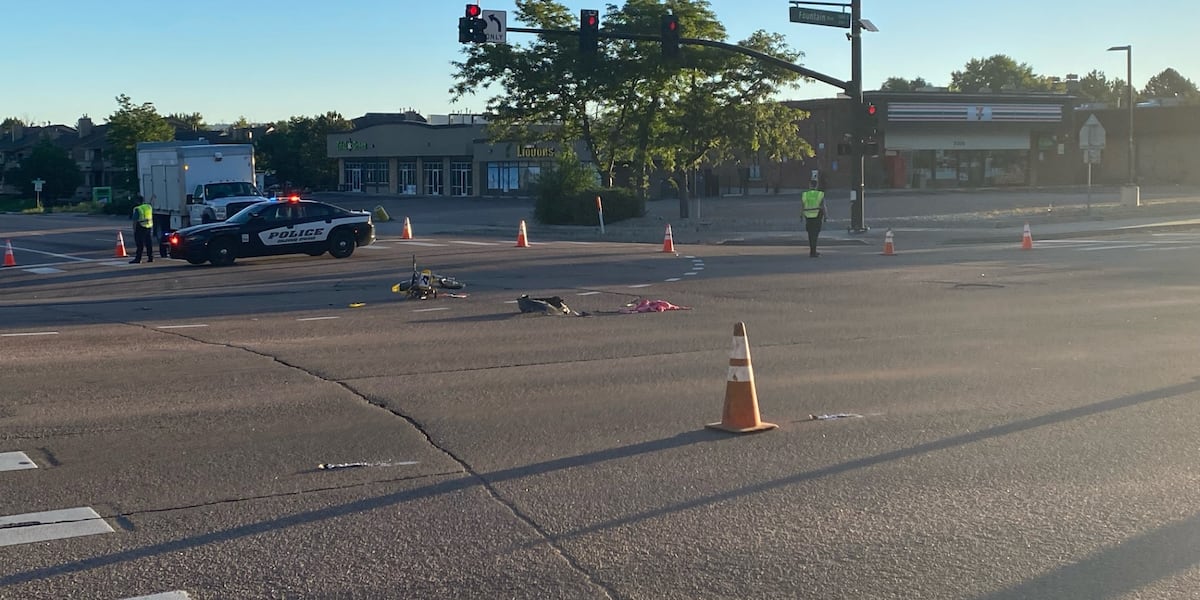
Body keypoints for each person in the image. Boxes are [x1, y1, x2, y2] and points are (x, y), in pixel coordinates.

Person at [801, 179, 826, 258]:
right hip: (817, 216)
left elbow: (802, 206)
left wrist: (801, 215)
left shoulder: (805, 194)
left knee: (810, 234)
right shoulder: (820, 194)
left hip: (808, 216)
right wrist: (826, 216)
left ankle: (812, 250)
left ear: (809, 185)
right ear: (817, 185)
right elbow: (823, 206)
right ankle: (813, 251)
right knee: (815, 234)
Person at [130, 195, 154, 263]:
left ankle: (138, 259)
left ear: (137, 201)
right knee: (148, 243)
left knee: (140, 244)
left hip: (140, 227)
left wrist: (134, 230)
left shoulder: (138, 209)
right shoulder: (148, 207)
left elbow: (135, 221)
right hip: (148, 226)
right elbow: (150, 204)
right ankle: (150, 257)